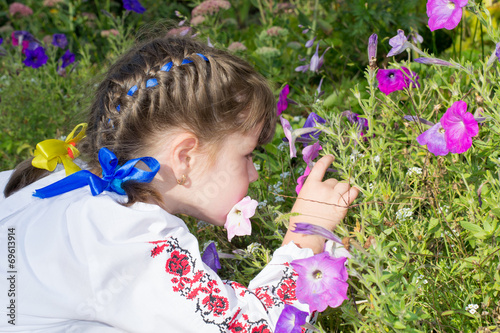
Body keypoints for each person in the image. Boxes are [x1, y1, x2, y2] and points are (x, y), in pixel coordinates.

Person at [0, 35, 358, 332]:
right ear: (185, 157)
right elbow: (248, 328)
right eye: (247, 156)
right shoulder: (127, 236)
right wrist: (306, 236)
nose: (255, 174)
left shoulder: (69, 177)